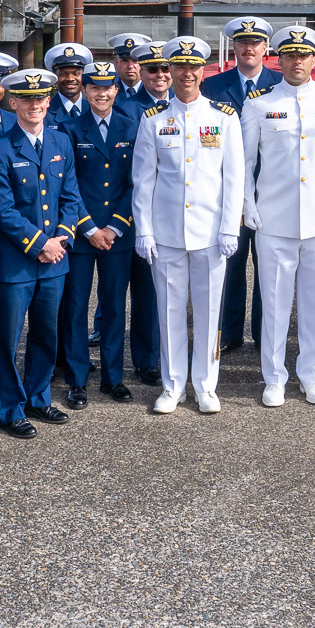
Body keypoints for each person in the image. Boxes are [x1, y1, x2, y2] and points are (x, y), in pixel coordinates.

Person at [241, 25, 315, 407]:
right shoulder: (258, 103)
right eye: (289, 55)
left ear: (314, 58)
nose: (297, 61)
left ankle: (310, 373)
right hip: (273, 220)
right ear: (279, 58)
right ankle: (273, 377)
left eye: (304, 55)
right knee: (273, 302)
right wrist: (247, 204)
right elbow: (244, 162)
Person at [133, 36, 246, 414]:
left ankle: (206, 384)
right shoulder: (154, 121)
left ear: (203, 71)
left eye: (192, 67)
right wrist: (144, 229)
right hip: (166, 234)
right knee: (169, 313)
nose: (186, 73)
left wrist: (231, 227)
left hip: (212, 234)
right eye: (179, 66)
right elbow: (143, 180)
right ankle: (173, 384)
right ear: (172, 70)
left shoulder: (223, 119)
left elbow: (234, 179)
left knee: (209, 311)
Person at [0, 68, 88, 437]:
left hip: (56, 261)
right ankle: (10, 408)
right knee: (8, 338)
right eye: (26, 100)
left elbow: (71, 198)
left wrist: (60, 240)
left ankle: (39, 397)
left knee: (46, 333)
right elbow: (1, 208)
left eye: (40, 99)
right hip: (16, 264)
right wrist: (40, 244)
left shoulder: (61, 143)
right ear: (13, 103)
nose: (34, 105)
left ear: (48, 101)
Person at [62, 60, 138, 405]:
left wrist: (114, 227)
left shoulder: (131, 127)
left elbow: (135, 183)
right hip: (81, 235)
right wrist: (90, 227)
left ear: (116, 90)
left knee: (113, 308)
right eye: (94, 87)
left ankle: (113, 377)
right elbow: (67, 184)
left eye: (108, 88)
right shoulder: (68, 130)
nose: (102, 93)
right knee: (76, 307)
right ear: (85, 90)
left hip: (117, 236)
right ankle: (77, 379)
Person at [204, 16, 279, 353]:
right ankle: (230, 333)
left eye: (255, 43)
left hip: (272, 191)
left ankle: (265, 333)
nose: (249, 48)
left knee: (268, 268)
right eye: (242, 43)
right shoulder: (213, 87)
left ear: (266, 48)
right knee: (230, 266)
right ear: (233, 46)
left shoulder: (280, 84)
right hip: (225, 192)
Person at [127, 41, 172, 385]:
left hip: (171, 214)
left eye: (165, 69)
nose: (161, 75)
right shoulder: (127, 108)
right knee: (143, 294)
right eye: (153, 69)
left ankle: (171, 355)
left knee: (165, 293)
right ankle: (146, 360)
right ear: (140, 71)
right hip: (132, 216)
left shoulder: (185, 106)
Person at [43, 42, 95, 124]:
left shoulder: (95, 109)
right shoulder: (44, 112)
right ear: (55, 76)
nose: (70, 79)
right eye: (63, 74)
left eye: (76, 74)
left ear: (84, 76)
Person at [108, 32, 154, 111]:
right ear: (116, 62)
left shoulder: (154, 90)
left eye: (135, 61)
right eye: (125, 61)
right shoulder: (107, 92)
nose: (130, 66)